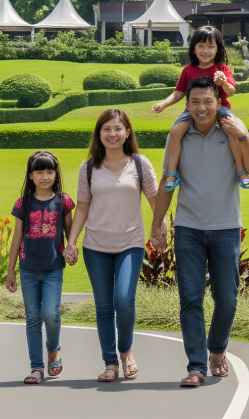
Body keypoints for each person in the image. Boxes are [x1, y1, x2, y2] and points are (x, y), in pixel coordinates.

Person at [149, 76, 249, 388]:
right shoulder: (180, 135)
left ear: (218, 103)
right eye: (195, 102)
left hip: (226, 227)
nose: (201, 107)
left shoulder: (231, 129)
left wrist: (243, 137)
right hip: (188, 229)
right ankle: (196, 366)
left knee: (226, 300)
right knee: (190, 298)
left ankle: (217, 351)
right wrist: (157, 224)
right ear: (186, 105)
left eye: (207, 101)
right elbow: (167, 182)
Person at [65, 109, 159, 382]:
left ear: (128, 132)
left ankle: (126, 351)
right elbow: (82, 208)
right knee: (104, 306)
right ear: (99, 134)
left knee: (124, 301)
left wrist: (159, 229)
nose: (112, 134)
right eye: (106, 129)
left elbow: (156, 203)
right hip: (95, 246)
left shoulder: (140, 164)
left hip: (130, 243)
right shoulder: (89, 168)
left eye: (118, 129)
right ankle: (110, 364)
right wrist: (71, 242)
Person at [151, 25, 249, 192]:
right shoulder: (188, 70)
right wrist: (163, 105)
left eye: (210, 46)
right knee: (175, 131)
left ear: (217, 49)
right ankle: (171, 173)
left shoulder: (222, 69)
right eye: (201, 46)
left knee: (232, 131)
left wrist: (223, 83)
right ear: (193, 49)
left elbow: (231, 92)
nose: (205, 51)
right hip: (192, 111)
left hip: (220, 110)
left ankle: (241, 172)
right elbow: (178, 93)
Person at [5, 151, 75, 385]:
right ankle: (36, 367)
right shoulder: (23, 203)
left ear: (56, 174)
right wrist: (11, 270)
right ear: (31, 175)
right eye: (40, 172)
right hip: (28, 269)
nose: (45, 177)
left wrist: (71, 250)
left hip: (53, 268)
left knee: (50, 315)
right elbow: (16, 237)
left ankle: (53, 350)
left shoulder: (63, 202)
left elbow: (70, 234)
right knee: (33, 319)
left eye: (50, 172)